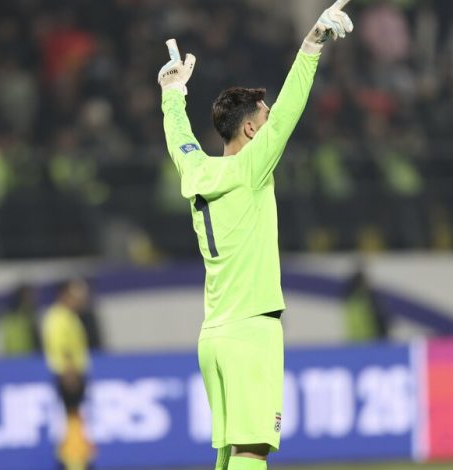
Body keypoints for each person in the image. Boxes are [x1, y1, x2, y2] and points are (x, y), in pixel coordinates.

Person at [158, 2, 354, 468]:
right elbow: (288, 114)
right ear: (249, 128)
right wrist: (312, 46)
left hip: (213, 335)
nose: (268, 127)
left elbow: (180, 140)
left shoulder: (197, 170)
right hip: (250, 331)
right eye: (261, 121)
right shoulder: (250, 169)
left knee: (231, 454)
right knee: (252, 450)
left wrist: (172, 93)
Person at [41, 278, 94, 470]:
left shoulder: (68, 316)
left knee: (74, 421)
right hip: (68, 378)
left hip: (71, 376)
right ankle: (74, 461)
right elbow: (62, 347)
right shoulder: (58, 317)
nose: (80, 299)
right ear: (64, 295)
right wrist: (70, 373)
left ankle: (76, 459)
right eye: (76, 295)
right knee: (71, 421)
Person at [0, 284, 39, 356]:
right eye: (28, 295)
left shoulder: (30, 313)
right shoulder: (9, 315)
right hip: (14, 357)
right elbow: (6, 339)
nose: (32, 298)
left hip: (28, 357)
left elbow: (36, 339)